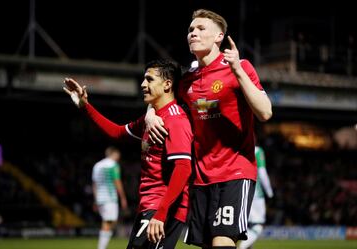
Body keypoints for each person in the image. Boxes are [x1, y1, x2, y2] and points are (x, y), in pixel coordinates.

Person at [145, 9, 273, 248]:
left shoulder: (241, 66)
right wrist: (151, 113)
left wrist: (238, 71)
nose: (193, 33)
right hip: (201, 178)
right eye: (191, 30)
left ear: (219, 36)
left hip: (235, 172)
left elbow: (265, 112)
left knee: (222, 243)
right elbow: (160, 99)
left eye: (201, 28)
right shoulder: (186, 80)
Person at [63, 59, 193, 249]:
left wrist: (161, 213)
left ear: (167, 84)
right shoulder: (152, 119)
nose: (143, 84)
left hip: (162, 209)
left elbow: (183, 168)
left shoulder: (175, 120)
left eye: (149, 79)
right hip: (150, 207)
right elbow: (116, 132)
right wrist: (85, 106)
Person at [92, 146, 128, 249]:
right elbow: (117, 181)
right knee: (109, 222)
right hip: (110, 197)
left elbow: (94, 184)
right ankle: (101, 247)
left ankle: (102, 245)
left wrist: (95, 200)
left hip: (100, 198)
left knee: (108, 221)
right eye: (118, 155)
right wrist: (123, 198)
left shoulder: (97, 165)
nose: (119, 157)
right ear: (114, 154)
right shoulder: (113, 165)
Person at [238, 145, 273, 249]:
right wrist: (270, 193)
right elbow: (262, 173)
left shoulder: (236, 149)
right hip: (256, 194)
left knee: (248, 225)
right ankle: (242, 247)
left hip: (239, 191)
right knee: (258, 226)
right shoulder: (257, 151)